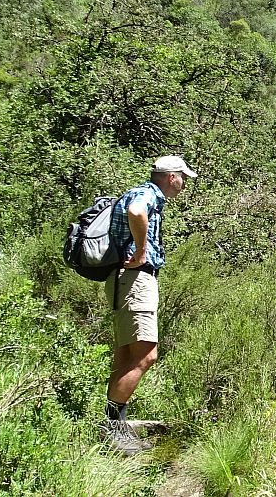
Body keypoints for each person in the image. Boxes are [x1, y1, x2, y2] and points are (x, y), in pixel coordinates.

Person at [101, 155, 197, 455]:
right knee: (146, 354)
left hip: (123, 280)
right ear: (172, 177)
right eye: (183, 178)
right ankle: (113, 429)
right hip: (135, 279)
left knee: (126, 355)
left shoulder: (143, 191)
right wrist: (142, 250)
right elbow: (135, 211)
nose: (183, 184)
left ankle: (113, 426)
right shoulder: (148, 194)